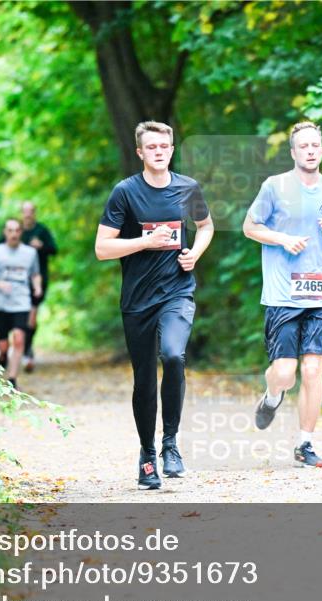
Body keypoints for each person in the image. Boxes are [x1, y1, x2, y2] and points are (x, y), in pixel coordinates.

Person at [95, 121, 215, 490]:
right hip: (137, 300)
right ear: (140, 152)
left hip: (177, 291)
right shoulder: (125, 192)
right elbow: (102, 249)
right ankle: (147, 455)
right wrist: (145, 242)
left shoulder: (188, 188)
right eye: (152, 147)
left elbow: (206, 226)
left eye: (165, 146)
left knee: (174, 355)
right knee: (144, 380)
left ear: (172, 149)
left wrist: (194, 252)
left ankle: (170, 444)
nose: (159, 151)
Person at [243, 121, 322, 468]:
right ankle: (273, 394)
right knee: (285, 372)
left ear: (321, 150)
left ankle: (304, 443)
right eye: (304, 146)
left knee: (312, 371)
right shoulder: (274, 187)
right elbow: (251, 227)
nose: (310, 151)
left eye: (315, 146)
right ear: (293, 152)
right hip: (282, 294)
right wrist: (282, 239)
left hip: (321, 293)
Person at [0, 218, 41, 389]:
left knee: (20, 339)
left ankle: (12, 379)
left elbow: (35, 274)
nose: (13, 234)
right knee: (3, 344)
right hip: (0, 305)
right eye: (10, 230)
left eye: (17, 230)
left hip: (21, 302)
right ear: (5, 232)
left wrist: (37, 287)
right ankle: (3, 354)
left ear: (21, 232)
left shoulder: (30, 253)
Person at [17, 201, 58, 372]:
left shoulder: (41, 230)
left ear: (35, 213)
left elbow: (54, 250)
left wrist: (42, 246)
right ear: (21, 213)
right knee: (21, 316)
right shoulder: (15, 231)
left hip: (38, 280)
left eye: (31, 211)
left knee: (32, 318)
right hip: (17, 281)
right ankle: (18, 348)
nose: (28, 214)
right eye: (25, 211)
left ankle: (27, 350)